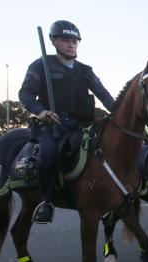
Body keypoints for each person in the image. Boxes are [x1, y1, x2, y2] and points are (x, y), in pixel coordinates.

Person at [19, 20, 114, 224]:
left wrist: (118, 111)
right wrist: (41, 111)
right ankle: (46, 201)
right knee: (48, 154)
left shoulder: (85, 70)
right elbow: (25, 94)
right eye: (65, 40)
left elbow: (104, 94)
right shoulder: (40, 65)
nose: (71, 44)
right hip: (53, 125)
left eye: (74, 40)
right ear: (54, 41)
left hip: (83, 125)